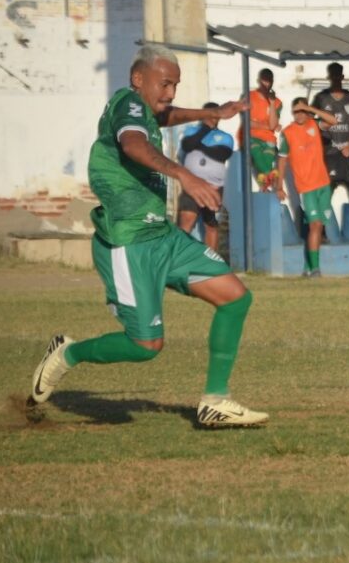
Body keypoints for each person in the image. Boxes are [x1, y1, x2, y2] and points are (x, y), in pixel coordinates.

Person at [28, 45, 267, 427]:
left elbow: (164, 116)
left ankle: (215, 401)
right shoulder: (127, 104)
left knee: (236, 298)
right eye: (165, 83)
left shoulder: (144, 109)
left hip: (162, 236)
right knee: (145, 347)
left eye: (175, 84)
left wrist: (211, 113)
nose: (170, 92)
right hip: (129, 242)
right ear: (139, 79)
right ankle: (67, 354)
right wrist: (185, 175)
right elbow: (133, 144)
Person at [276, 98, 338, 278]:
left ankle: (308, 266)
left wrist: (311, 108)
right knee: (315, 224)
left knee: (318, 228)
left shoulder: (315, 125)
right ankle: (316, 269)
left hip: (323, 184)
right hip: (306, 187)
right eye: (296, 111)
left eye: (302, 111)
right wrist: (279, 185)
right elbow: (282, 160)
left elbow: (334, 121)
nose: (300, 115)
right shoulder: (288, 133)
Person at [312, 62, 349, 242]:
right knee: (325, 192)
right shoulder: (321, 98)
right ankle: (321, 232)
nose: (336, 78)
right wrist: (320, 128)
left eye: (339, 75)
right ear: (329, 77)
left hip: (348, 152)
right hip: (329, 152)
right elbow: (314, 122)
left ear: (342, 77)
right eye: (333, 75)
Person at [177, 102, 235, 251]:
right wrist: (205, 129)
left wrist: (200, 146)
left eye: (214, 114)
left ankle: (212, 263)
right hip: (192, 184)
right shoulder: (191, 131)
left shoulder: (225, 137)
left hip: (213, 187)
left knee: (210, 224)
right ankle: (178, 259)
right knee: (186, 218)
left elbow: (222, 153)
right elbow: (187, 145)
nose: (211, 117)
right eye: (208, 113)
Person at [245, 68, 282, 191]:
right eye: (264, 81)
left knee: (266, 159)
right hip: (252, 137)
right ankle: (270, 178)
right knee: (256, 154)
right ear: (259, 81)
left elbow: (273, 125)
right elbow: (248, 123)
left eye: (269, 81)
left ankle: (264, 185)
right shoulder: (250, 96)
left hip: (269, 139)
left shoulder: (277, 102)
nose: (266, 84)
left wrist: (271, 103)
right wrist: (268, 126)